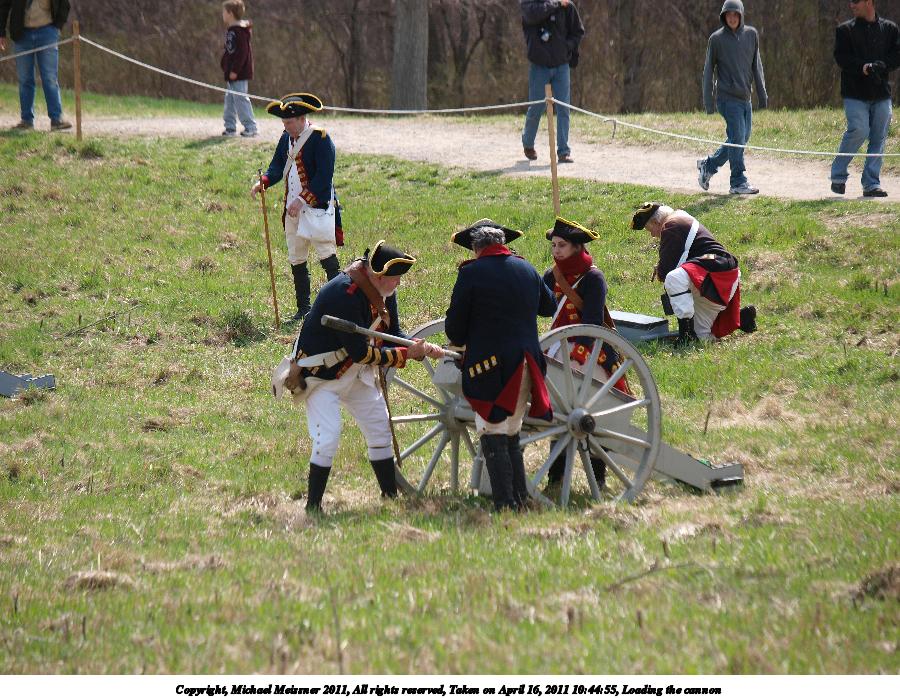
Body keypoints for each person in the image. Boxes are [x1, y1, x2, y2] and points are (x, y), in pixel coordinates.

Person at [272, 241, 444, 513]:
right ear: (378, 276)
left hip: (354, 373)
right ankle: (313, 507)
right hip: (322, 376)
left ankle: (390, 498)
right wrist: (406, 354)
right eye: (395, 278)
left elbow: (392, 333)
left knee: (379, 427)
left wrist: (416, 345)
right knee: (328, 437)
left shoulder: (383, 291)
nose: (399, 283)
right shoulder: (344, 294)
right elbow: (361, 352)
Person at [445, 220, 556, 511]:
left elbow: (454, 330)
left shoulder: (471, 273)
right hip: (527, 363)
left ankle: (505, 504)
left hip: (490, 367)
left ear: (476, 248)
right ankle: (519, 500)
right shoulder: (526, 268)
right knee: (511, 430)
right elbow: (549, 307)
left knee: (492, 429)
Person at [542, 217, 626, 492]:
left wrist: (577, 358)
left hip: (589, 350)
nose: (556, 251)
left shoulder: (593, 278)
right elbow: (541, 306)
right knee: (560, 414)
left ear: (577, 247)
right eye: (554, 245)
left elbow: (592, 323)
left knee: (594, 415)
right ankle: (555, 479)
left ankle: (598, 479)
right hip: (558, 347)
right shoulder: (552, 275)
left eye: (562, 245)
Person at [251, 93, 343, 323]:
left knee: (327, 257)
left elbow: (324, 177)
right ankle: (304, 308)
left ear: (302, 119)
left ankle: (338, 308)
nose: (286, 126)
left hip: (316, 208)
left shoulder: (321, 139)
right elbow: (277, 166)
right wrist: (264, 182)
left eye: (290, 122)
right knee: (297, 257)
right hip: (292, 209)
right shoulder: (286, 137)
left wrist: (302, 199)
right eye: (284, 122)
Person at [631, 202, 757, 343]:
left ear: (656, 222)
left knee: (674, 278)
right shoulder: (679, 218)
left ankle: (686, 335)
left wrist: (660, 270)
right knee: (702, 337)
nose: (653, 235)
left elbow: (666, 271)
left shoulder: (671, 225)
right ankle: (741, 318)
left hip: (715, 270)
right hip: (718, 270)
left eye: (650, 230)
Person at [829, 0, 900, 198]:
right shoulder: (844, 30)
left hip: (881, 94)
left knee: (879, 137)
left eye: (855, 1)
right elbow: (842, 58)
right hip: (854, 93)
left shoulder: (890, 29)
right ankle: (838, 175)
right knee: (859, 130)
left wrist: (882, 65)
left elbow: (897, 55)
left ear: (869, 2)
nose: (851, 5)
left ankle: (871, 184)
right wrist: (863, 67)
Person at [697, 1, 768, 196]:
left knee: (741, 138)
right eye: (728, 14)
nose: (732, 18)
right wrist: (708, 101)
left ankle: (708, 165)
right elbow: (708, 71)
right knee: (737, 138)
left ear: (741, 15)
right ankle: (738, 181)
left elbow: (756, 66)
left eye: (735, 14)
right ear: (723, 16)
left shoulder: (751, 35)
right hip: (727, 99)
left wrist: (762, 94)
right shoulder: (716, 39)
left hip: (745, 98)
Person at [519, 0, 584, 164]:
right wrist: (555, 4)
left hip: (561, 65)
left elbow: (578, 31)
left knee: (563, 108)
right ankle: (528, 143)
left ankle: (563, 151)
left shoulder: (567, 6)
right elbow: (532, 15)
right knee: (537, 107)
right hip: (539, 65)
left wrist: (567, 46)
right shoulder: (529, 4)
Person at [0, 0, 72, 131]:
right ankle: (26, 120)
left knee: (50, 78)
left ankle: (56, 119)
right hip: (21, 34)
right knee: (25, 80)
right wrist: (1, 32)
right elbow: (3, 5)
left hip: (47, 32)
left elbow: (64, 4)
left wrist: (57, 26)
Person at [220, 0, 257, 138]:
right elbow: (230, 51)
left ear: (230, 13)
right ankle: (230, 127)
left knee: (241, 99)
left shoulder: (239, 31)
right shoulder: (231, 30)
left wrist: (235, 70)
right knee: (229, 100)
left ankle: (251, 127)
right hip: (231, 74)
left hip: (239, 74)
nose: (222, 14)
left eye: (224, 12)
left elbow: (242, 53)